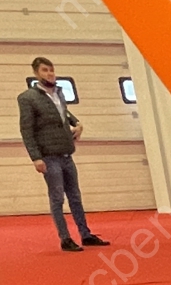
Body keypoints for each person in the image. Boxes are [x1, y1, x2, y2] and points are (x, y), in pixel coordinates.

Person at [17, 57, 109, 252]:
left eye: (51, 70)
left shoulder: (58, 93)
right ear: (36, 73)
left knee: (75, 196)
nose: (50, 73)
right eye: (45, 70)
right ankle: (65, 238)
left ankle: (85, 234)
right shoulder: (28, 98)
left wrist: (77, 123)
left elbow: (63, 113)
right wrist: (35, 157)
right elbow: (26, 130)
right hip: (49, 156)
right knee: (57, 198)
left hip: (66, 153)